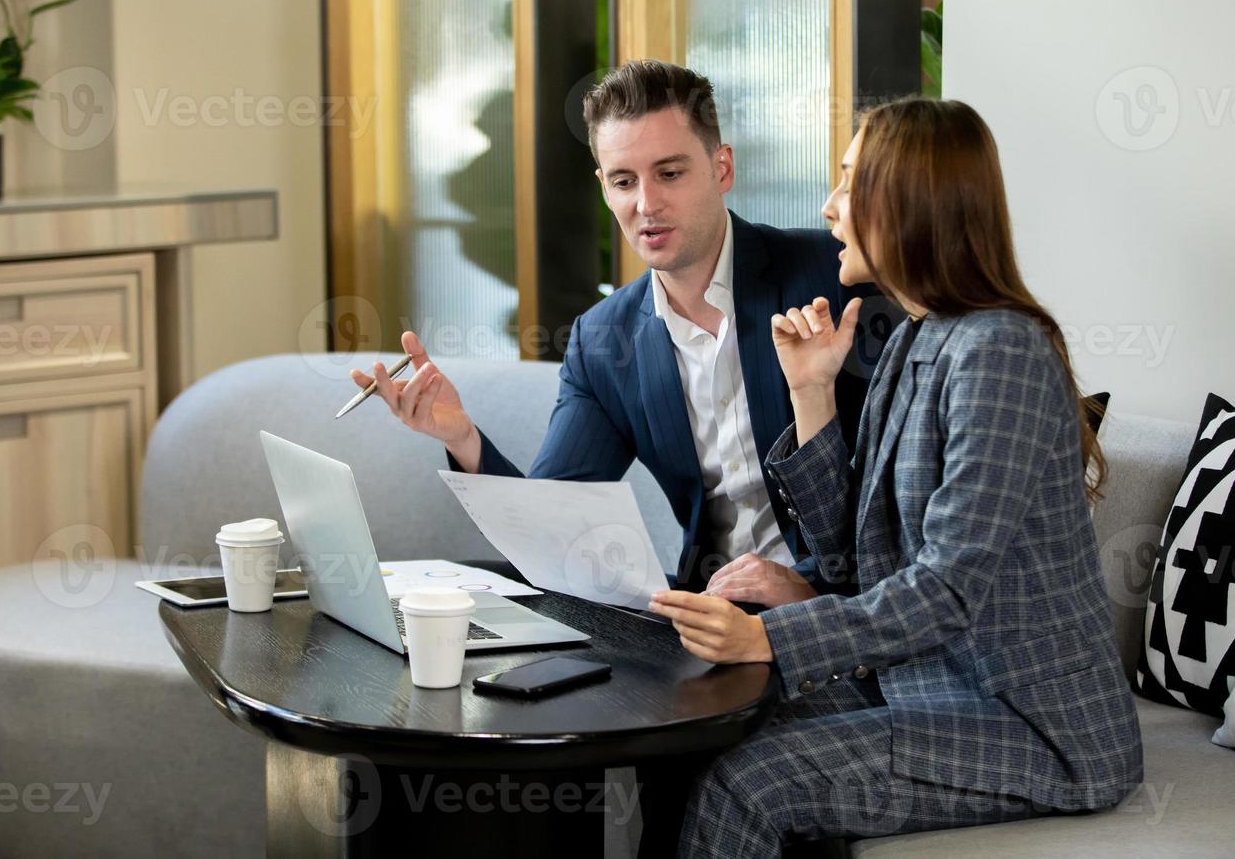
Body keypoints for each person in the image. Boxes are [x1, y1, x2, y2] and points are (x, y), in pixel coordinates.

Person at [648, 97, 1144, 857]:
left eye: (848, 182)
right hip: (925, 686)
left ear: (905, 199)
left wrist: (769, 640)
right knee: (701, 734)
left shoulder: (999, 352)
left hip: (1031, 725)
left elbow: (947, 588)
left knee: (753, 782)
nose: (829, 207)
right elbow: (856, 559)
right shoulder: (918, 337)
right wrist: (812, 391)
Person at [352, 59, 885, 603]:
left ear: (721, 168)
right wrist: (461, 437)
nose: (646, 205)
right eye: (625, 181)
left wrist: (812, 585)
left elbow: (902, 499)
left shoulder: (836, 275)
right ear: (604, 186)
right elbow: (554, 524)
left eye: (670, 174)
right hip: (705, 617)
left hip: (841, 620)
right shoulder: (603, 341)